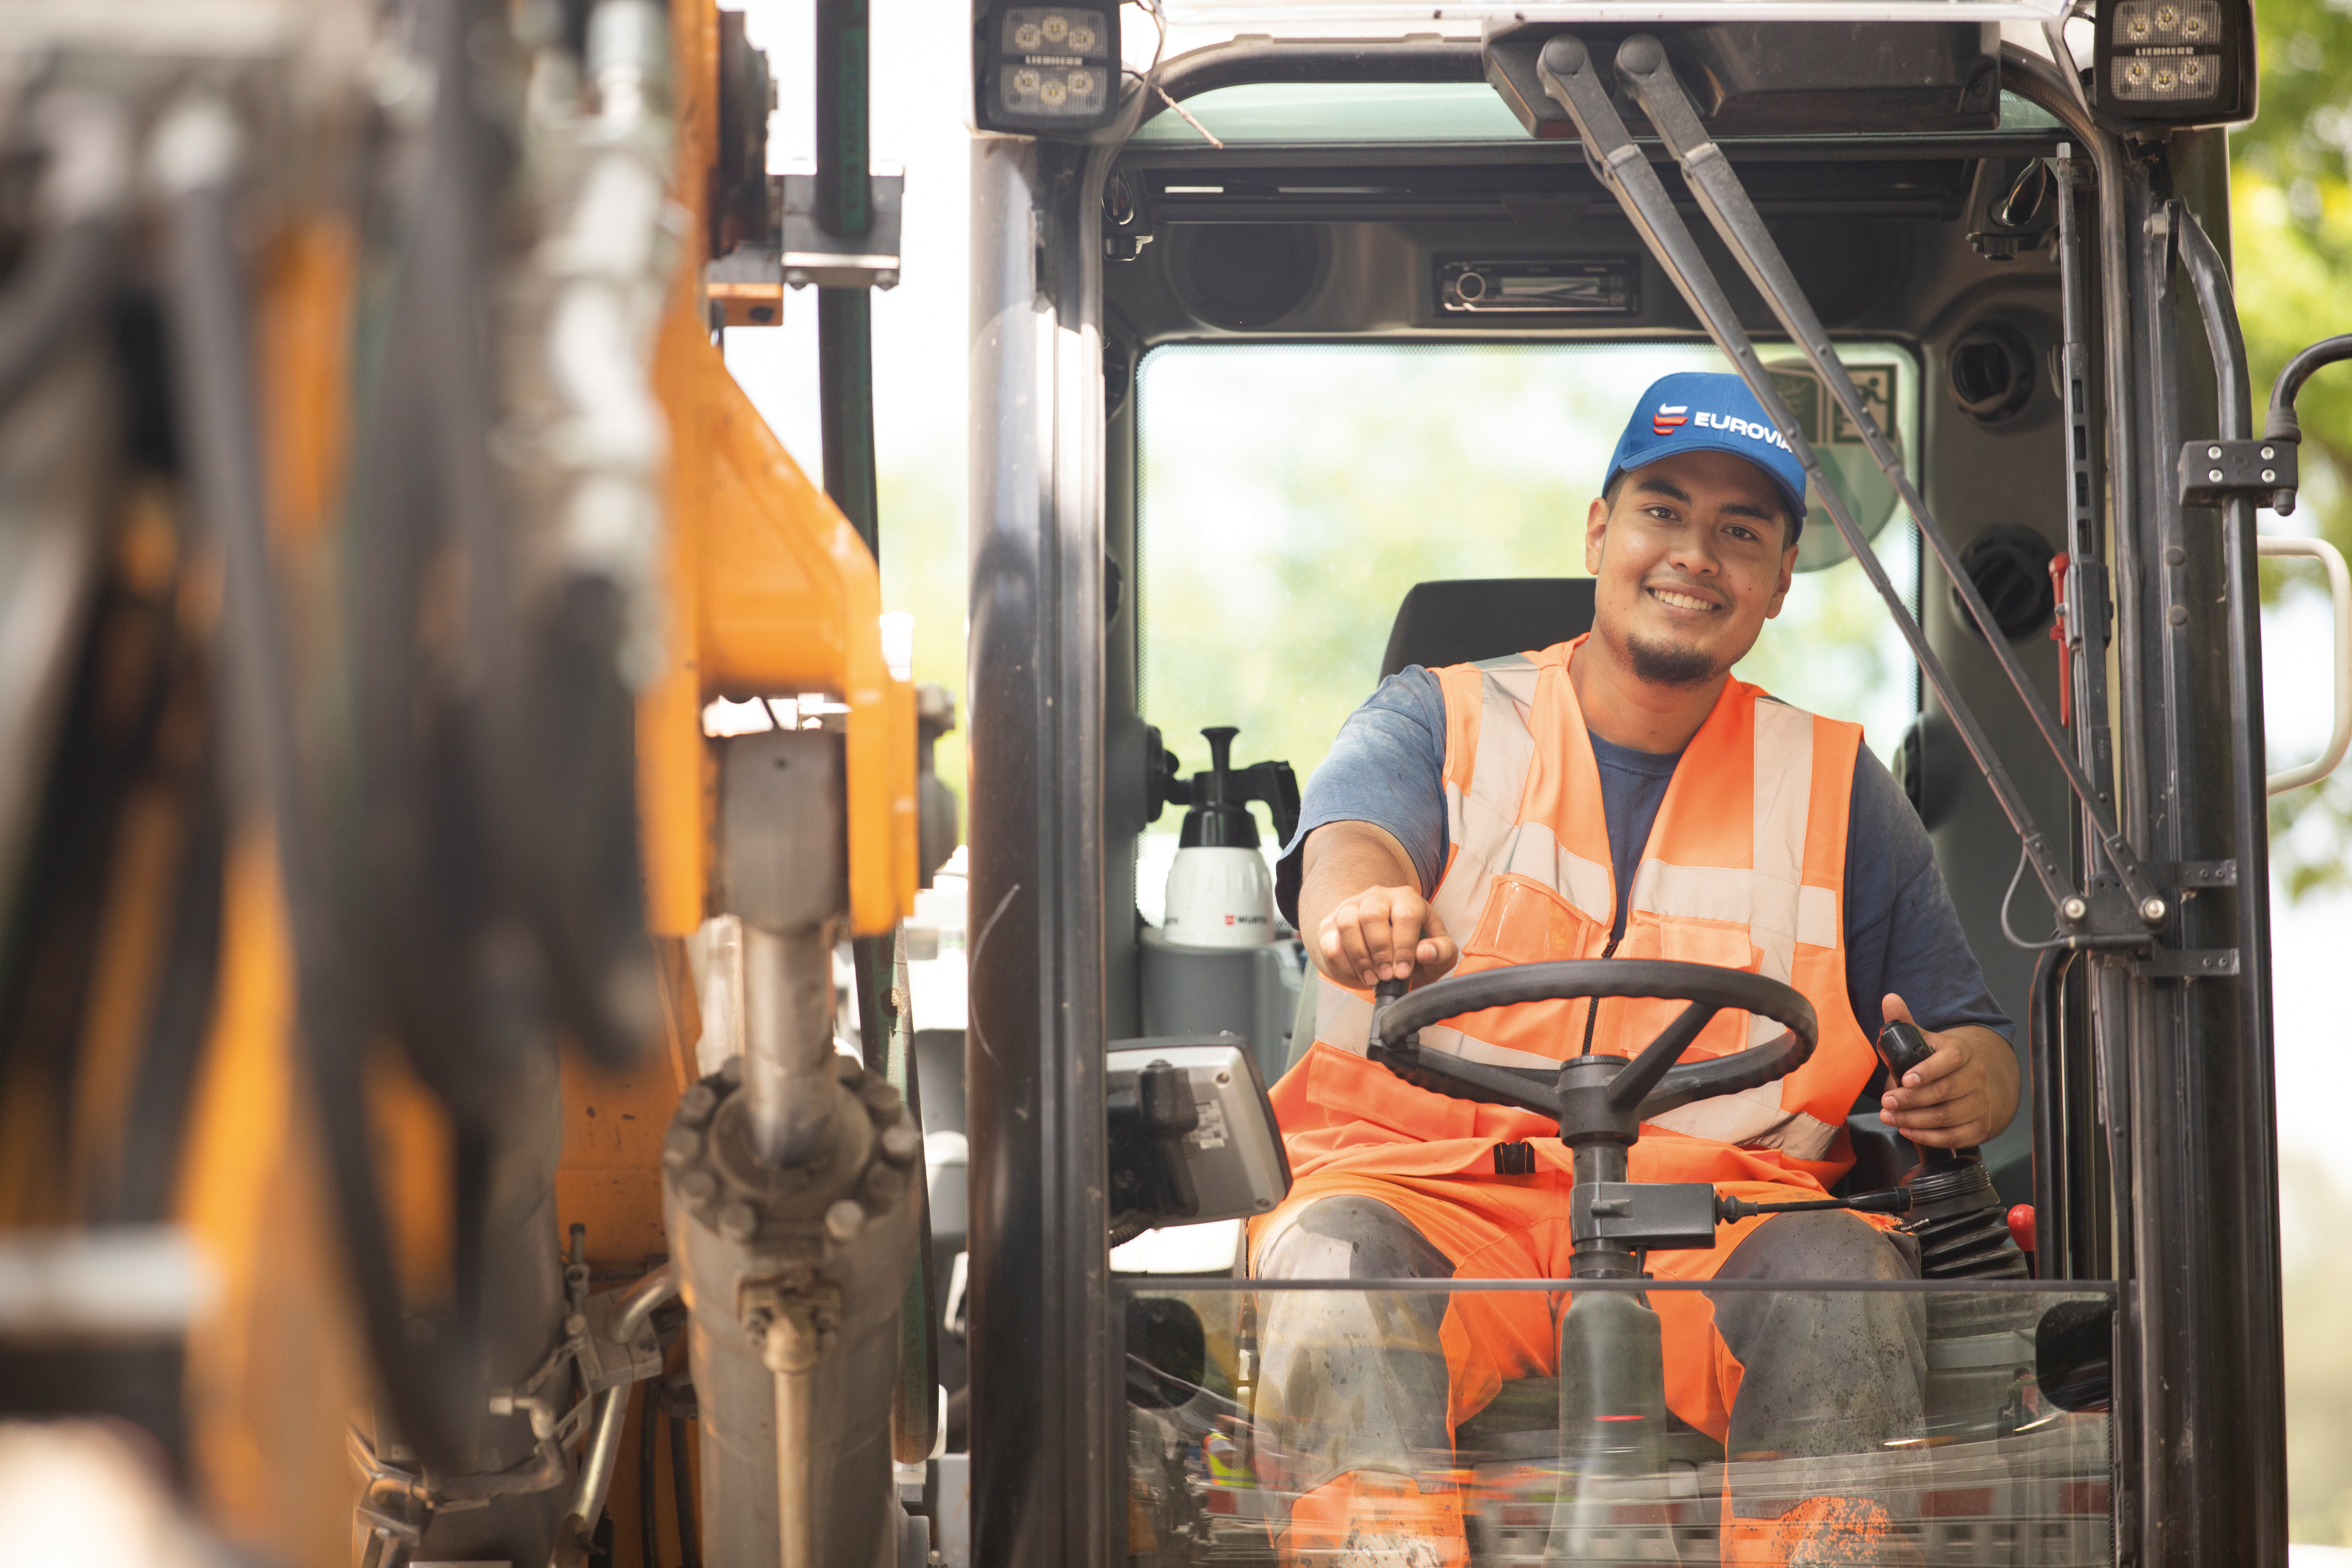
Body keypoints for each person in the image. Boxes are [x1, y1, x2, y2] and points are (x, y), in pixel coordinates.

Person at [1247, 371, 2018, 1566]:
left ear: (1773, 582)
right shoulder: (1437, 719)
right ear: (1600, 531)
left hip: (1714, 1219)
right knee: (1332, 1270)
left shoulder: (1837, 788)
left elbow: (1971, 1040)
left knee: (1848, 1276)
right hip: (1435, 1198)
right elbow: (1348, 847)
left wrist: (1970, 1079)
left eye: (1740, 532)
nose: (1694, 554)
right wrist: (1364, 906)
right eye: (1662, 511)